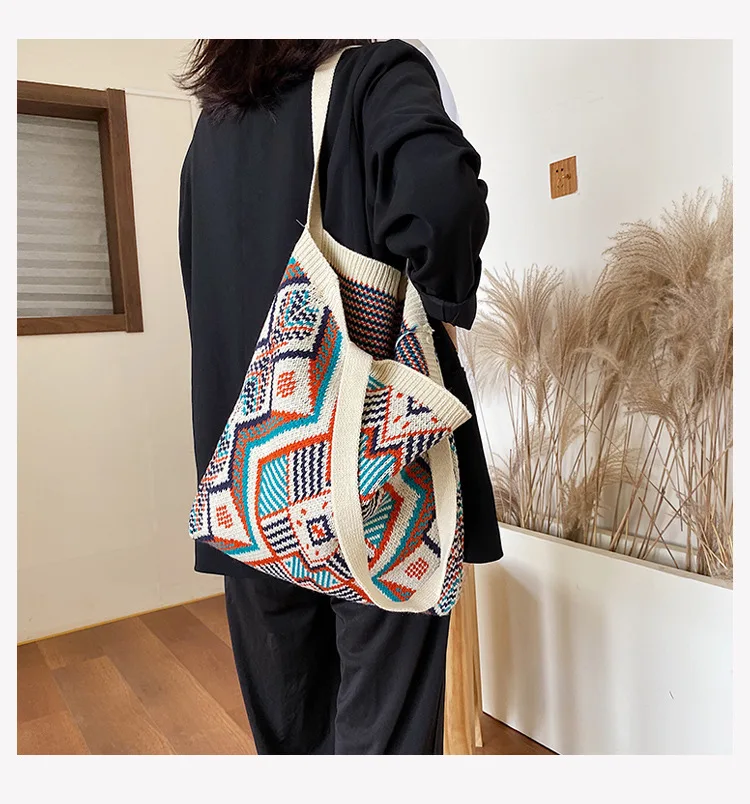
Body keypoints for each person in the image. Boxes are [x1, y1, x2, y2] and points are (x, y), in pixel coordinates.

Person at [176, 38, 502, 756]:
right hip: (376, 479)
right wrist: (442, 309)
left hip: (249, 485)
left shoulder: (212, 129)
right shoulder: (375, 75)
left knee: (292, 739)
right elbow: (442, 198)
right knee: (384, 735)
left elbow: (201, 286)